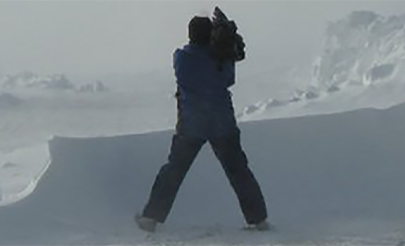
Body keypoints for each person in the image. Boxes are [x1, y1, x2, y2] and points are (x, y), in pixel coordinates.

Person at [136, 15, 269, 232]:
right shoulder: (220, 57)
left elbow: (185, 76)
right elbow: (228, 80)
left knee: (173, 171)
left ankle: (151, 218)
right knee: (239, 171)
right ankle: (258, 220)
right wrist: (226, 47)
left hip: (192, 124)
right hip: (222, 122)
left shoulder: (182, 57)